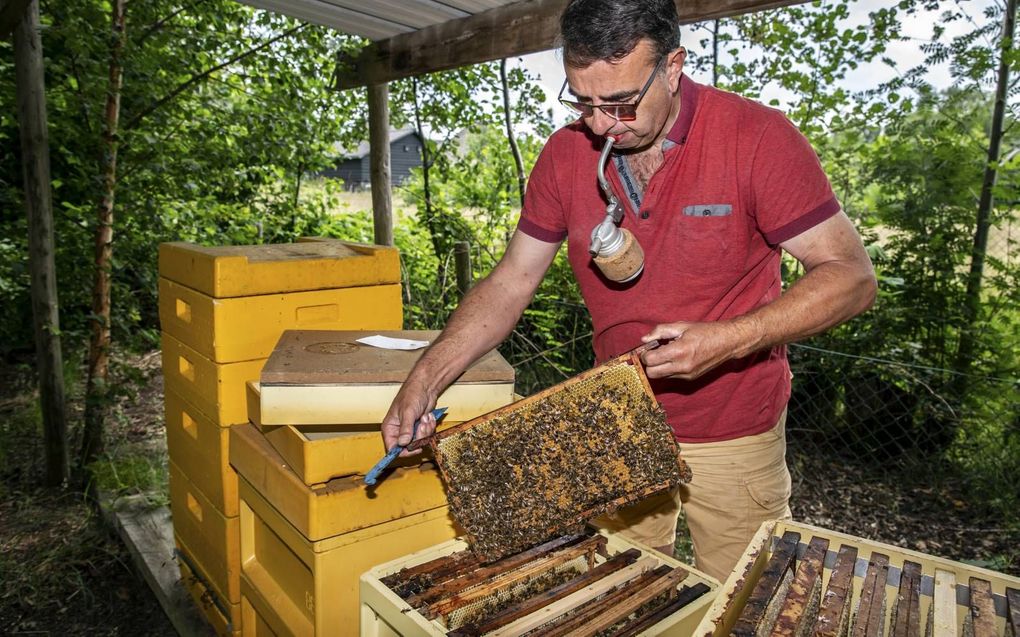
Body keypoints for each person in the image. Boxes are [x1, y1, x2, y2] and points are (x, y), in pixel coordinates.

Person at [381, 0, 877, 582]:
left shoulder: (757, 138)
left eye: (620, 103)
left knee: (745, 595)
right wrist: (423, 379)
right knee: (623, 589)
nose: (600, 124)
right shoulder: (566, 155)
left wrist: (729, 339)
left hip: (733, 425)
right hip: (615, 420)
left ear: (672, 67)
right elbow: (510, 283)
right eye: (582, 101)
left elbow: (850, 276)